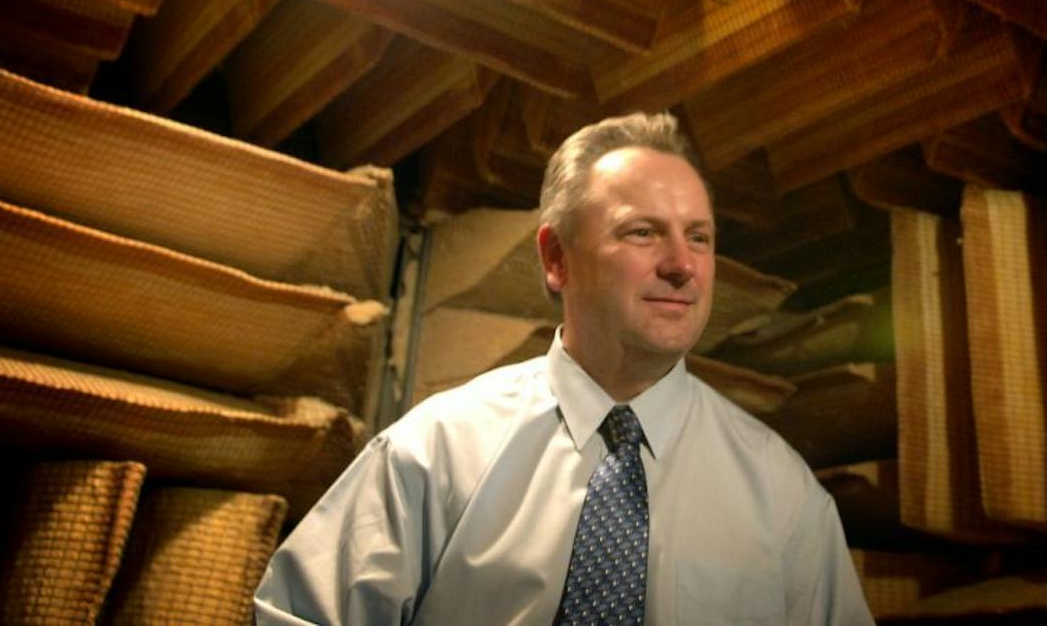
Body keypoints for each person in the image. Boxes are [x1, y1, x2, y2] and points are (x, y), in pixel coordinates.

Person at [254, 111, 874, 624]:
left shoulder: (783, 494)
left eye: (701, 237)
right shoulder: (436, 450)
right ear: (556, 259)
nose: (683, 265)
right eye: (642, 233)